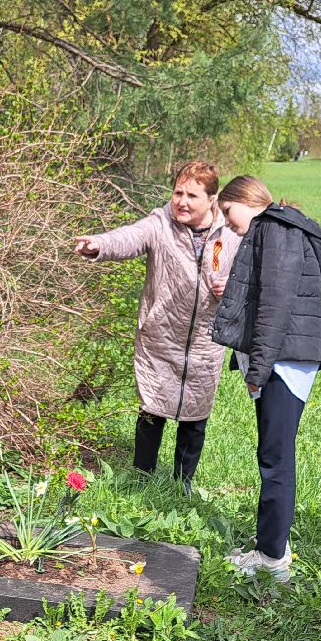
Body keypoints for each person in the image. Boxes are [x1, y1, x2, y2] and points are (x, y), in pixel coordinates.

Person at [74, 163, 240, 487]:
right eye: (178, 192)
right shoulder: (160, 223)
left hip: (206, 340)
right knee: (152, 410)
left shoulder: (230, 233)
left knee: (195, 416)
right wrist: (99, 244)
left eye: (192, 195)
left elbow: (250, 275)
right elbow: (130, 237)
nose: (182, 201)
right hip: (160, 336)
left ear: (212, 199)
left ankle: (182, 486)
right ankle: (141, 478)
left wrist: (233, 286)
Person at [209, 176, 321, 581]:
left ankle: (272, 558)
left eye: (229, 214)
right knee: (274, 457)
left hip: (283, 362)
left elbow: (274, 308)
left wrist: (257, 371)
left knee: (275, 461)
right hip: (288, 359)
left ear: (247, 200)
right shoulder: (282, 228)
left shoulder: (274, 229)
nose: (229, 225)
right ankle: (270, 543)